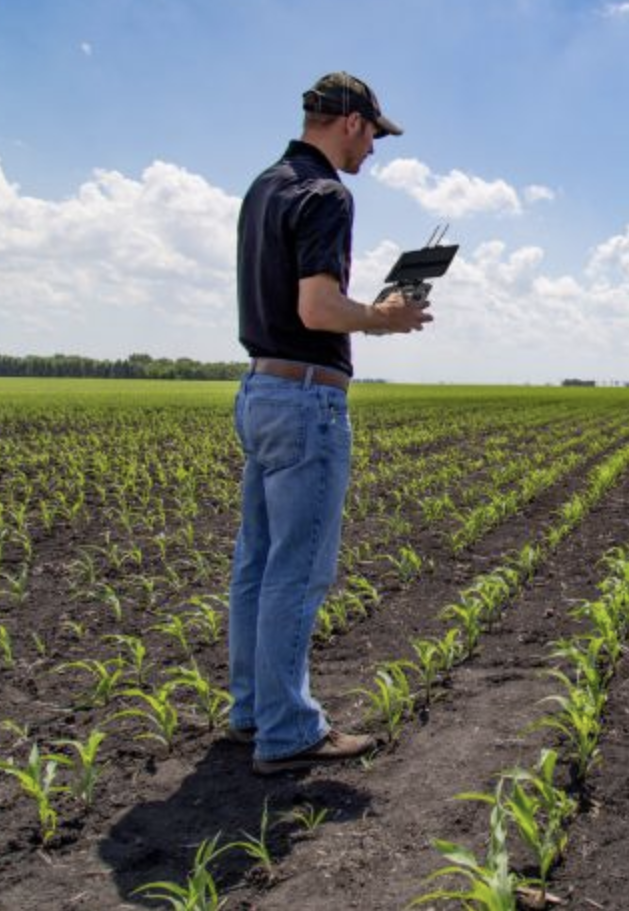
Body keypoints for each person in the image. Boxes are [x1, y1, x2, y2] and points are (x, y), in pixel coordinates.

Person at [230, 71, 432, 775]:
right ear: (351, 122)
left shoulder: (265, 186)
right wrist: (385, 317)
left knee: (256, 563)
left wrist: (368, 312)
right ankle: (288, 730)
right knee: (298, 568)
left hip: (259, 390)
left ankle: (253, 709)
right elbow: (318, 309)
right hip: (307, 397)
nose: (374, 149)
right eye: (375, 133)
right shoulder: (325, 195)